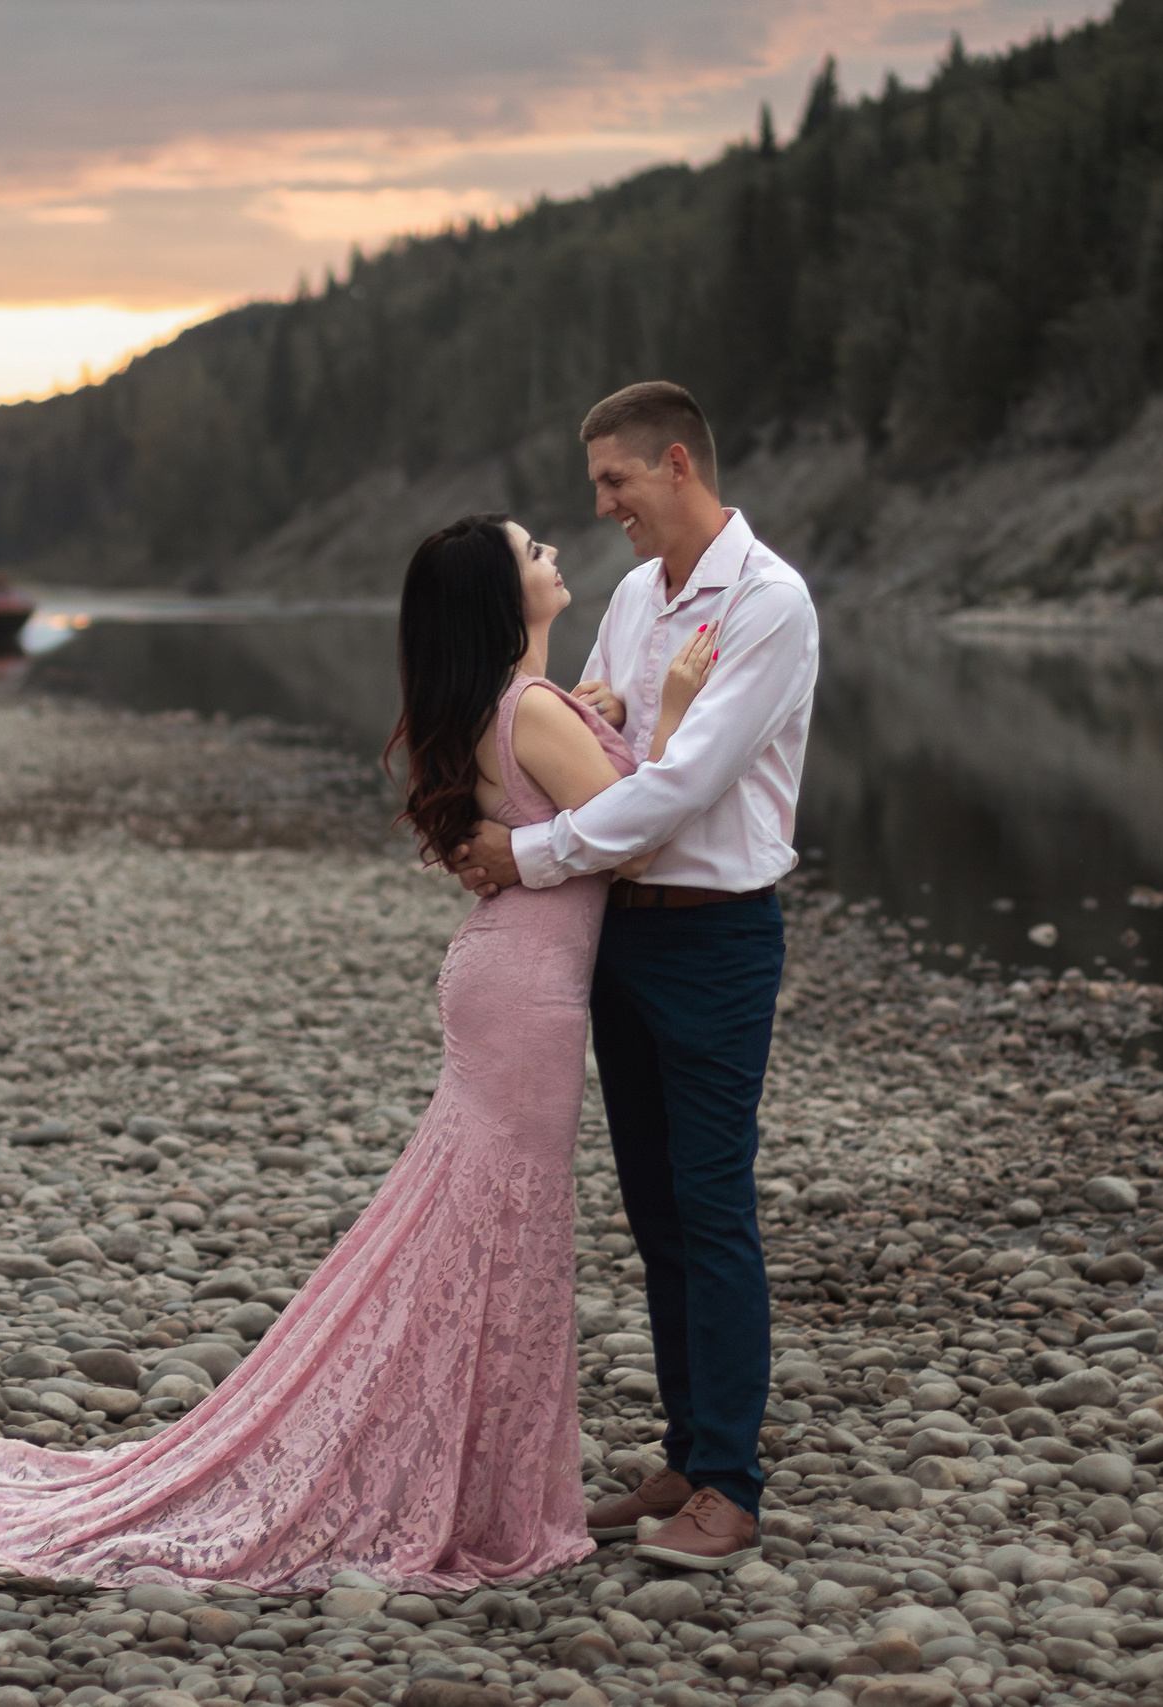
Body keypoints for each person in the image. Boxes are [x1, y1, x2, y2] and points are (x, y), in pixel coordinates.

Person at [0, 513, 718, 1590]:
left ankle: (459, 1457)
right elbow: (637, 822)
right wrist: (670, 713)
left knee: (475, 1222)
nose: (551, 556)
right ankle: (465, 1478)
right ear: (503, 600)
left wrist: (608, 713)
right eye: (531, 552)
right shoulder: (533, 708)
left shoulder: (499, 705)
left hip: (503, 975)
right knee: (500, 1228)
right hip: (528, 992)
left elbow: (560, 792)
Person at [450, 381, 817, 1572]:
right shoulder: (630, 596)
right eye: (595, 486)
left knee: (710, 1208)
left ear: (674, 463)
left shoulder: (768, 604)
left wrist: (520, 857)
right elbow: (604, 744)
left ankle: (733, 1487)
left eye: (614, 481)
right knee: (656, 1212)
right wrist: (603, 706)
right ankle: (687, 1452)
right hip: (621, 937)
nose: (600, 505)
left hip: (714, 937)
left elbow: (673, 789)